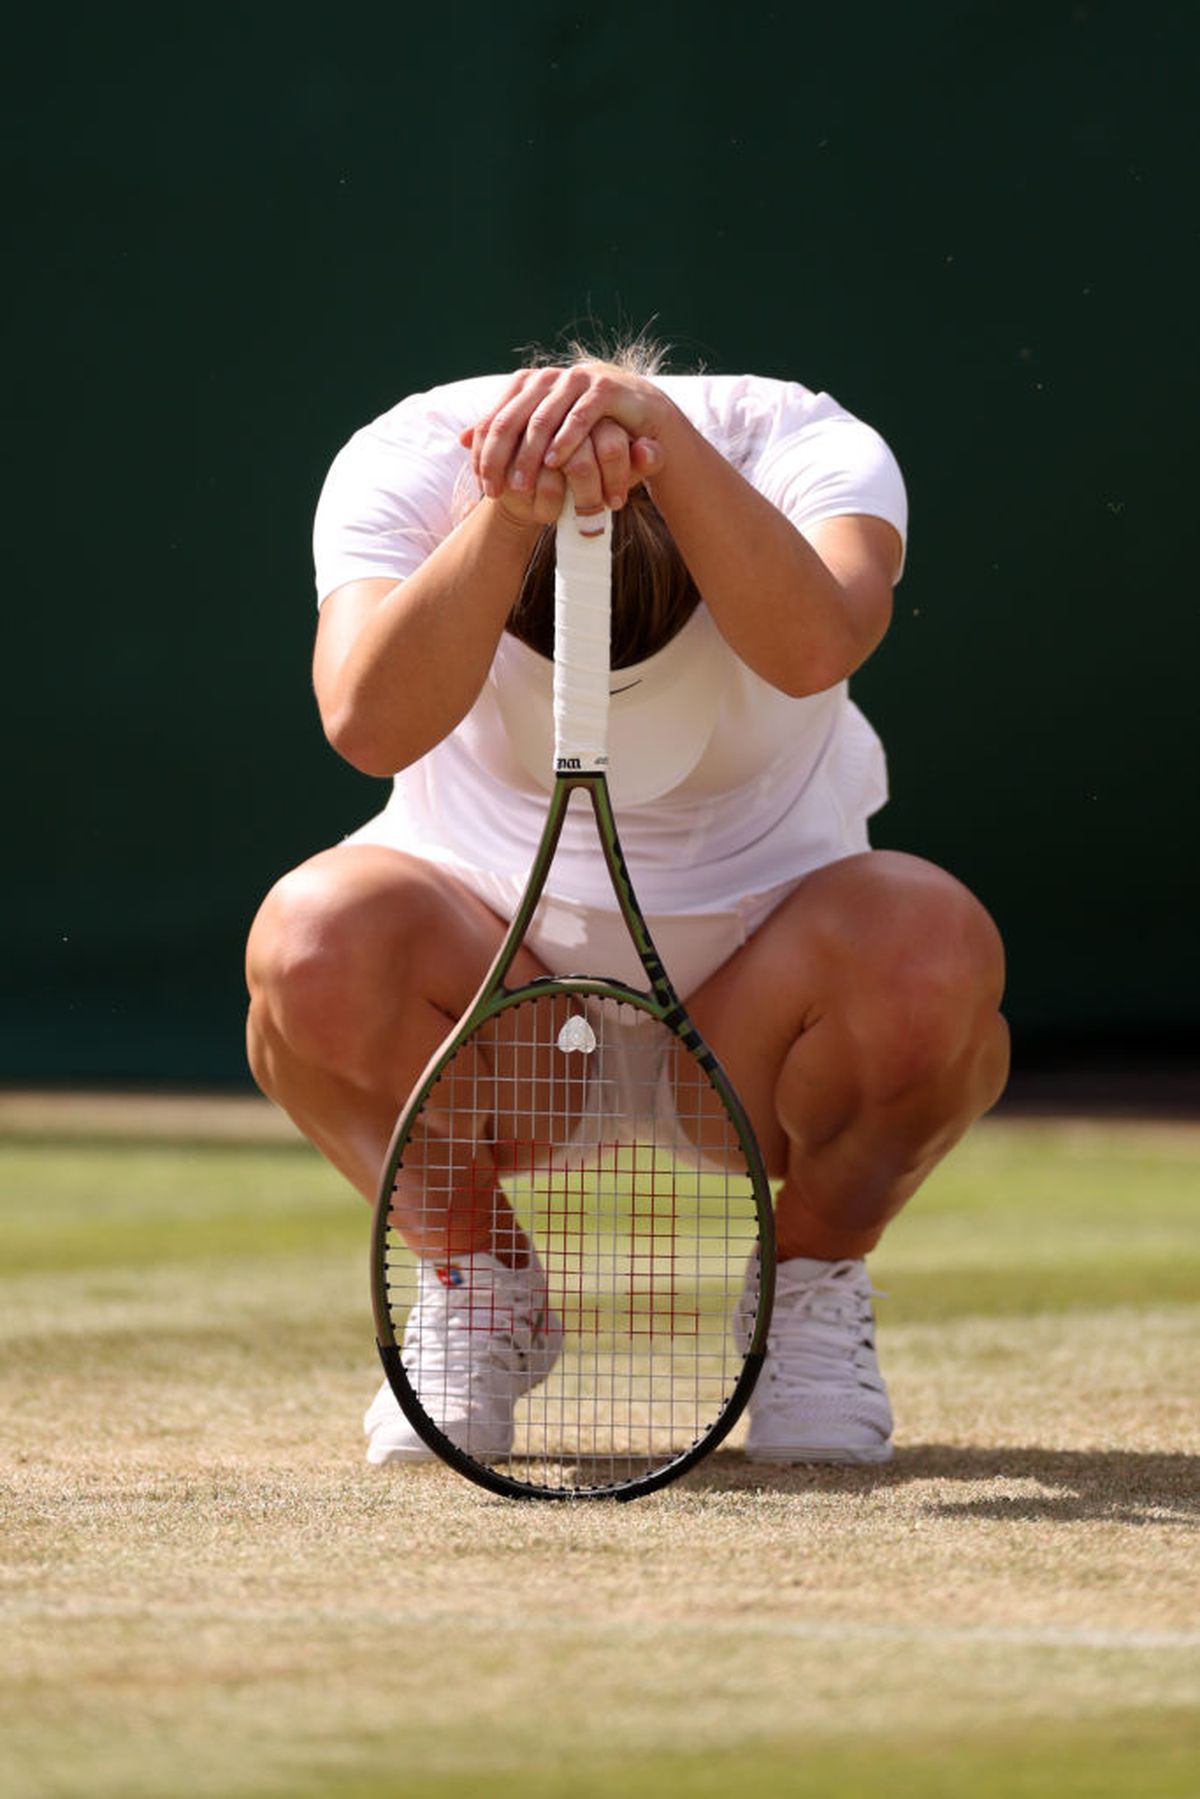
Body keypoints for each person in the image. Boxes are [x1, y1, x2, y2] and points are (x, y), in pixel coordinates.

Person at [245, 339, 1009, 1468]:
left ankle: (807, 1286)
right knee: (312, 943)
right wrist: (510, 518)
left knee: (932, 946)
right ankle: (478, 1281)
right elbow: (365, 722)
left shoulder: (801, 443)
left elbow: (815, 645)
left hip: (757, 1025)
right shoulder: (407, 457)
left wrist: (666, 444)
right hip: (493, 997)